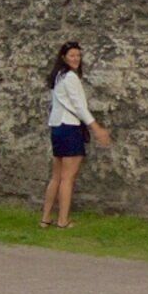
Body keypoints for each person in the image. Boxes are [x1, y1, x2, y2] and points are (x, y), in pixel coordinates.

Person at [42, 41, 102, 229]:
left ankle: (46, 218)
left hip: (57, 127)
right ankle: (62, 220)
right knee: (67, 178)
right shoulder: (70, 77)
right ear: (64, 57)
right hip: (69, 127)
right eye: (72, 55)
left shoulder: (58, 77)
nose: (76, 59)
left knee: (56, 176)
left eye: (78, 55)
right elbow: (79, 106)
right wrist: (95, 127)